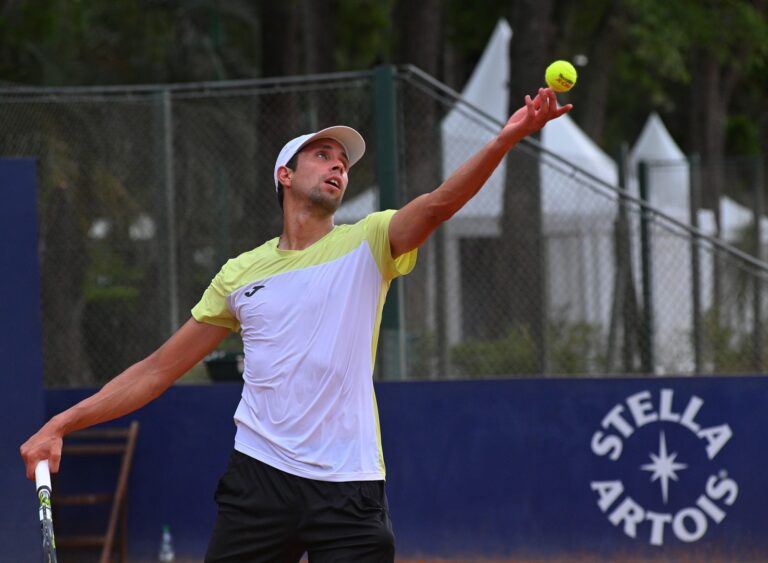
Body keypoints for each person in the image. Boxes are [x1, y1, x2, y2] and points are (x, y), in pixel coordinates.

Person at [21, 87, 571, 562]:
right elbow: (157, 370)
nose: (338, 165)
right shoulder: (239, 274)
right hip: (260, 478)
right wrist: (61, 425)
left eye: (343, 162)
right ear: (285, 175)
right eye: (322, 155)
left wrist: (506, 138)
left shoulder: (370, 241)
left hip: (350, 485)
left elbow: (439, 204)